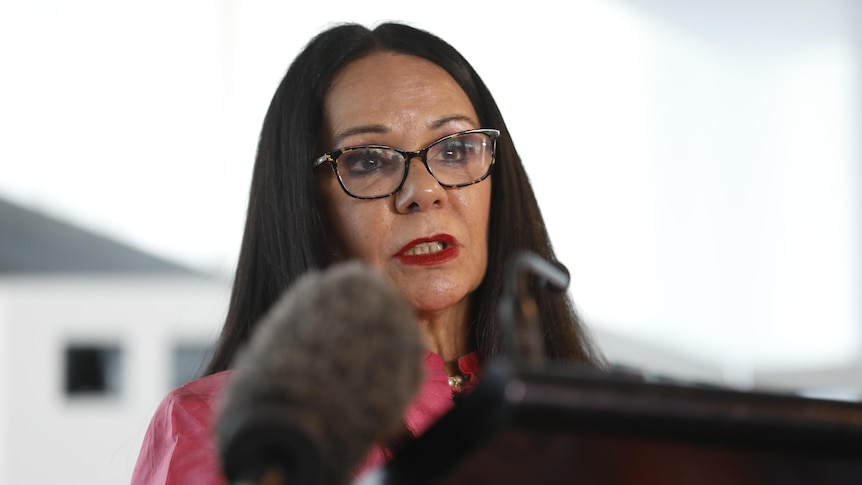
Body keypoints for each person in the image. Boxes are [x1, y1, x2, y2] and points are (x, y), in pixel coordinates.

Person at [131, 21, 602, 485]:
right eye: (368, 161)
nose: (424, 190)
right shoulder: (217, 431)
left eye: (455, 150)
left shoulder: (598, 420)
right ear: (305, 205)